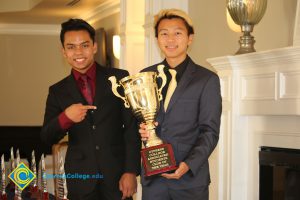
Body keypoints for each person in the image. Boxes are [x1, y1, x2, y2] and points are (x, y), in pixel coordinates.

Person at [41, 18, 141, 200]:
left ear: (94, 46)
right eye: (71, 47)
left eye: (84, 45)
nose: (78, 52)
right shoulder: (57, 91)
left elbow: (132, 128)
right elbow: (47, 136)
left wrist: (131, 171)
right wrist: (66, 117)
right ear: (63, 52)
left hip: (118, 177)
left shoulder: (120, 78)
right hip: (80, 179)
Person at [139, 9, 222, 200]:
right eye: (164, 34)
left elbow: (210, 131)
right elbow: (139, 118)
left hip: (190, 181)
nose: (170, 40)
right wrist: (142, 129)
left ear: (190, 38)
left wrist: (188, 164)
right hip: (154, 180)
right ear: (157, 39)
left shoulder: (207, 80)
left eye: (177, 33)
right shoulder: (146, 76)